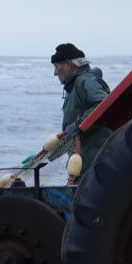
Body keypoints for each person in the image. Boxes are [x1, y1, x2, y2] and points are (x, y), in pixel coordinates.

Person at [52, 43, 111, 176]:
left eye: (56, 67)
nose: (55, 73)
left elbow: (103, 103)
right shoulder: (74, 85)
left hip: (94, 162)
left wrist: (78, 123)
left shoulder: (85, 81)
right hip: (83, 161)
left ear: (68, 64)